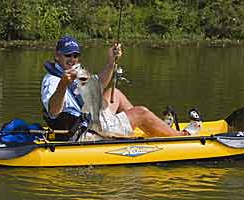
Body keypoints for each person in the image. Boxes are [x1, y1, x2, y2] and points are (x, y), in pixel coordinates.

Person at [41, 36, 193, 141]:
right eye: (68, 55)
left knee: (117, 94)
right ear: (57, 56)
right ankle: (180, 136)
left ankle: (149, 127)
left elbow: (99, 83)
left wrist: (111, 62)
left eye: (75, 55)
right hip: (84, 129)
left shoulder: (75, 72)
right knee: (141, 112)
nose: (72, 59)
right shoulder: (52, 80)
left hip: (91, 117)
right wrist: (62, 85)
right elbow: (53, 112)